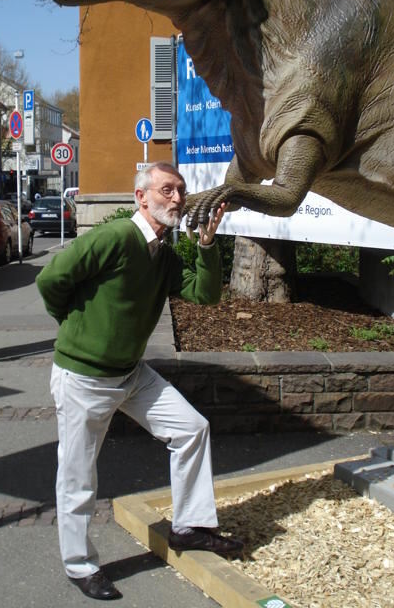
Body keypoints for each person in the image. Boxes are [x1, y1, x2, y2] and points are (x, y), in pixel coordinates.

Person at [36, 162, 243, 601]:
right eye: (167, 189)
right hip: (84, 378)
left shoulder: (163, 254)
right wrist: (74, 326)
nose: (177, 198)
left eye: (181, 191)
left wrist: (207, 245)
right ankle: (79, 565)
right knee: (78, 475)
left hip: (130, 374)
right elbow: (51, 279)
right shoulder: (115, 238)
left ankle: (189, 527)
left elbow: (205, 294)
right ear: (140, 197)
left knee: (191, 429)